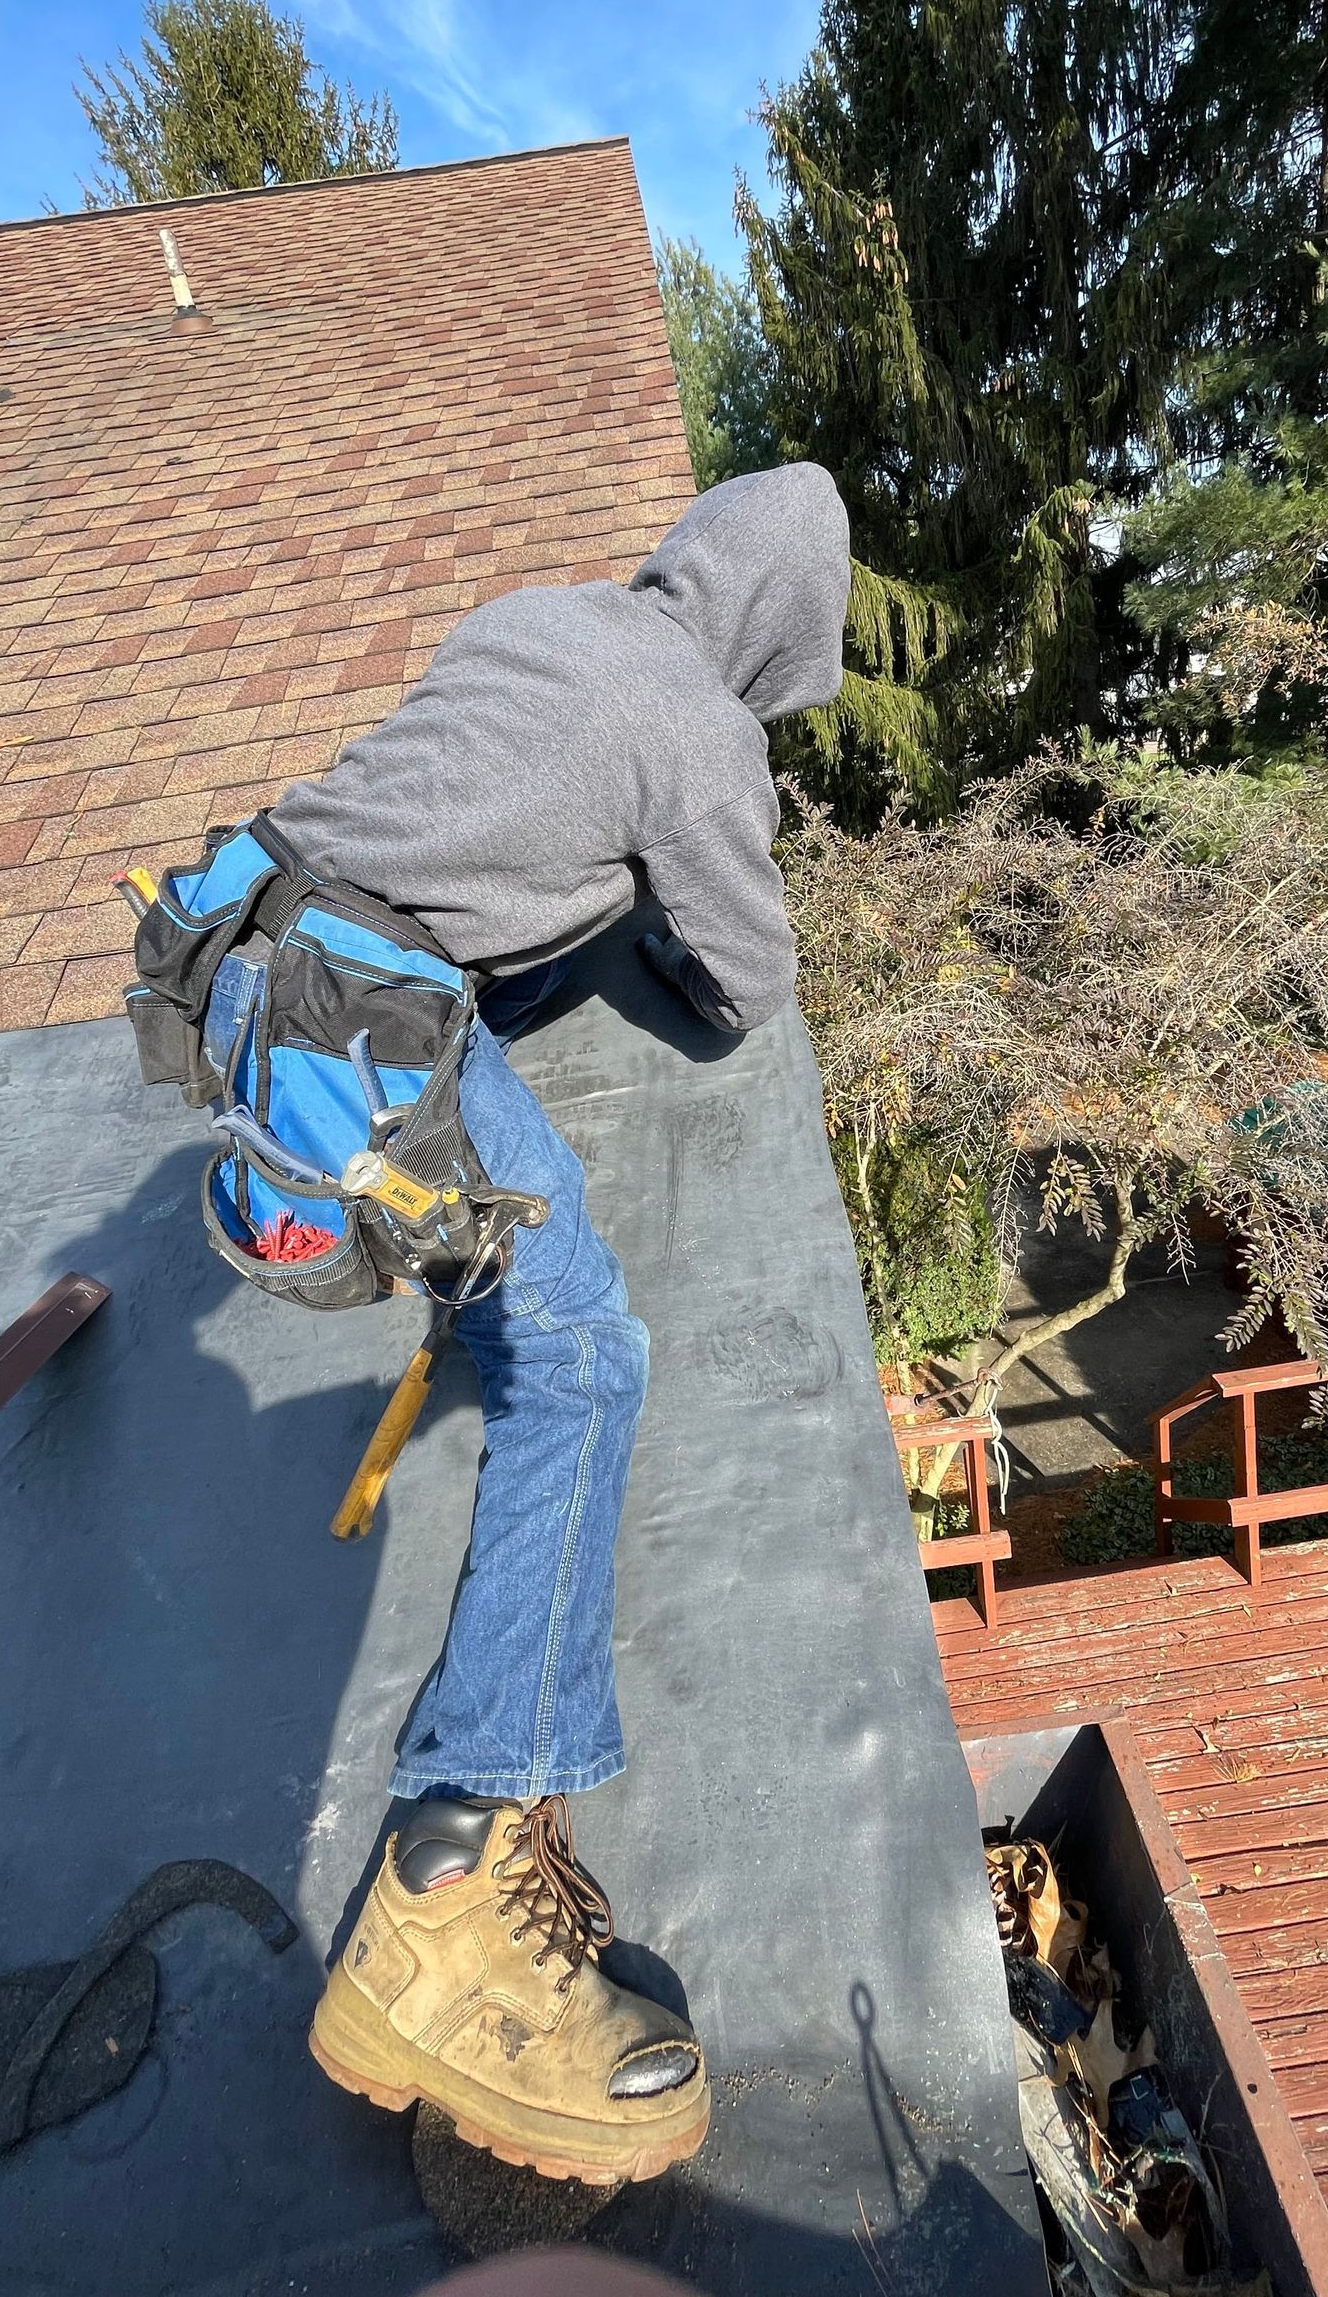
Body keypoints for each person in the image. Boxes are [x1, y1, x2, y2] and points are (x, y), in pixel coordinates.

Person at [280, 465, 850, 2185]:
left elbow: (483, 867)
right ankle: (447, 1887)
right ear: (775, 641)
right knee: (589, 1353)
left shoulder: (541, 620)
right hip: (366, 1024)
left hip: (267, 970)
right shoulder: (696, 722)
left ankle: (464, 1863)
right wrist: (666, 928)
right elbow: (749, 979)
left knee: (546, 1329)